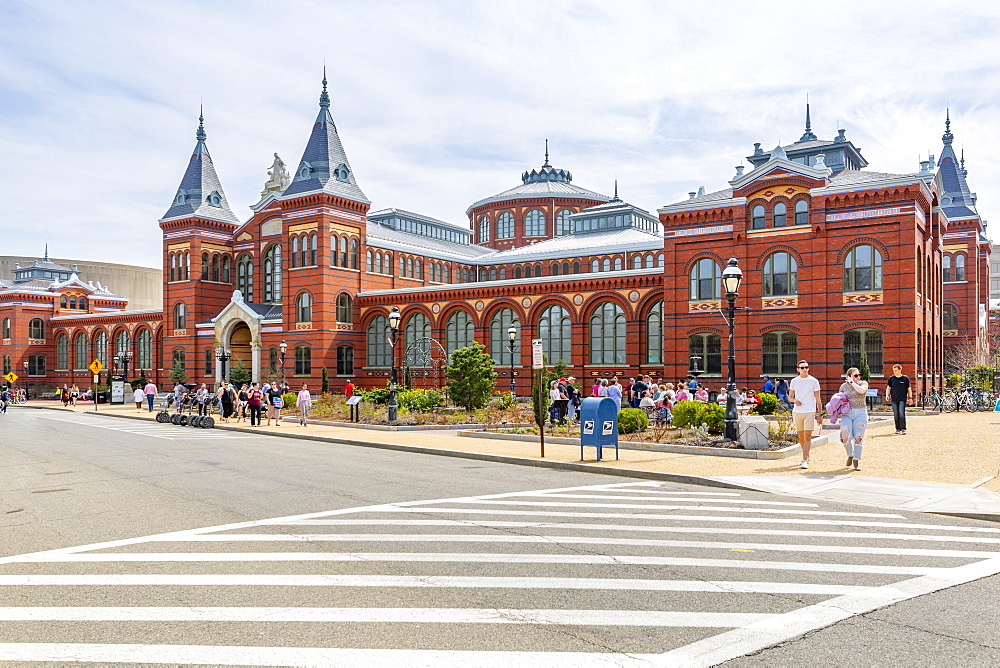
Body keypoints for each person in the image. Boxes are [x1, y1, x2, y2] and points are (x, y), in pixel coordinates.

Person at [789, 361, 822, 469]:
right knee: (801, 437)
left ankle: (803, 459)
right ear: (798, 369)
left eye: (806, 367)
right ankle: (806, 455)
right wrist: (795, 401)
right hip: (797, 412)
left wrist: (820, 414)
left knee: (808, 436)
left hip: (809, 411)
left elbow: (818, 399)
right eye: (802, 367)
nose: (804, 369)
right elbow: (790, 397)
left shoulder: (814, 381)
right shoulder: (794, 381)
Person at [841, 367, 870, 471]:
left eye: (859, 375)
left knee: (858, 437)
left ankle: (856, 460)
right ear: (849, 376)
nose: (858, 377)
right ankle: (850, 454)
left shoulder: (863, 383)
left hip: (860, 412)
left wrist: (853, 382)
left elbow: (861, 391)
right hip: (847, 413)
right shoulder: (843, 386)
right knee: (845, 436)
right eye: (855, 375)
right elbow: (840, 398)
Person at [886, 364, 912, 434]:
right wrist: (887, 395)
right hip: (894, 399)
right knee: (896, 414)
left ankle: (903, 428)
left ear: (900, 370)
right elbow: (888, 388)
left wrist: (910, 398)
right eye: (893, 370)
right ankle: (897, 428)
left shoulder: (905, 378)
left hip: (902, 398)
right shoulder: (891, 378)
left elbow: (909, 389)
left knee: (901, 413)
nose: (894, 371)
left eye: (896, 370)